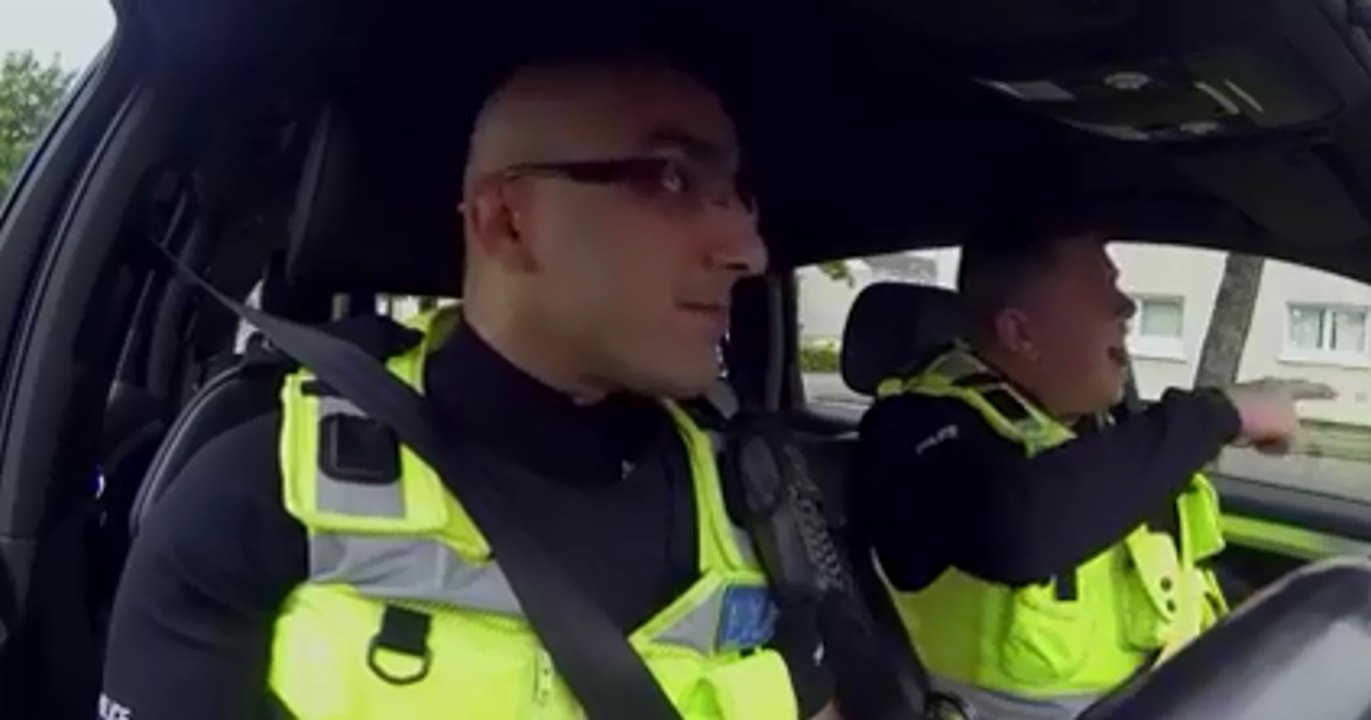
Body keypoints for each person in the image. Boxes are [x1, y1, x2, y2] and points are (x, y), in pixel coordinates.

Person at [100, 56, 841, 720]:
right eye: (673, 178)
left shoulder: (765, 499)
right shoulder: (261, 497)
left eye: (738, 197)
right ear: (506, 224)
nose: (747, 251)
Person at [854, 211, 1333, 720]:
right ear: (1022, 333)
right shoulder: (911, 429)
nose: (1126, 305)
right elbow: (1014, 529)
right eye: (1102, 284)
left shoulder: (1100, 434)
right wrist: (1221, 415)